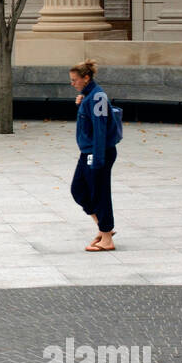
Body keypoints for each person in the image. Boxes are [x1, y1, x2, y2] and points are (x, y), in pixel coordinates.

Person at [68, 60, 117, 252]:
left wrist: (97, 158)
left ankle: (106, 238)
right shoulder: (89, 95)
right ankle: (104, 228)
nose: (72, 84)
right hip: (87, 152)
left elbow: (100, 129)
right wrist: (82, 96)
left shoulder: (98, 98)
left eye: (75, 80)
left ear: (86, 78)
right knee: (78, 190)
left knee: (100, 193)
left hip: (98, 152)